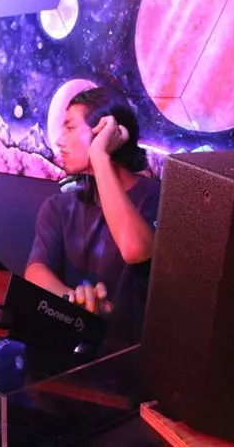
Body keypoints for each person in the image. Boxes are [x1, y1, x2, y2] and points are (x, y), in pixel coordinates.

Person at [25, 86, 161, 344]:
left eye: (70, 127)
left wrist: (99, 155)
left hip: (128, 356)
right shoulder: (59, 207)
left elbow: (135, 250)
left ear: (102, 132)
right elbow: (36, 271)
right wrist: (75, 303)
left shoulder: (156, 197)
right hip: (65, 352)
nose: (59, 140)